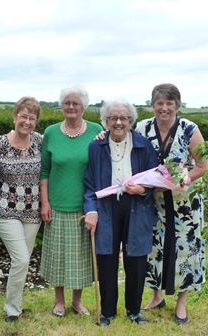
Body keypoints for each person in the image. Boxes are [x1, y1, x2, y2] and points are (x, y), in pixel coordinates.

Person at [137, 83, 208, 324]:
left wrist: (180, 180)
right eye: (159, 103)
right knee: (154, 249)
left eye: (169, 103)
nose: (164, 108)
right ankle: (156, 296)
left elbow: (203, 166)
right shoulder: (142, 127)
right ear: (153, 105)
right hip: (153, 202)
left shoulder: (190, 129)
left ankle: (181, 303)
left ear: (177, 105)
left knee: (185, 250)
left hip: (185, 205)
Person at [83, 99, 159, 327]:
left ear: (130, 121)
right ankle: (107, 311)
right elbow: (89, 183)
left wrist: (143, 189)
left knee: (135, 258)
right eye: (113, 118)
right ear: (105, 121)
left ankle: (134, 310)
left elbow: (155, 178)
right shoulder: (96, 146)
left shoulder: (143, 145)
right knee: (106, 257)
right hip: (106, 207)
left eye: (123, 118)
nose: (118, 122)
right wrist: (91, 210)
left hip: (136, 205)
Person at [40, 84, 103, 317]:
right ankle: (59, 301)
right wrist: (45, 203)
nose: (71, 106)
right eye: (67, 102)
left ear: (84, 106)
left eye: (75, 103)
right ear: (61, 106)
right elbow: (44, 170)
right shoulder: (51, 132)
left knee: (80, 259)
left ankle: (77, 301)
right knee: (58, 257)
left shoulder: (96, 130)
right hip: (57, 204)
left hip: (85, 206)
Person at [0, 96, 43, 323]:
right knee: (21, 259)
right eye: (23, 116)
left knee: (23, 259)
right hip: (6, 210)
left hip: (33, 212)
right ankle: (12, 308)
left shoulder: (41, 141)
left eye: (32, 118)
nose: (27, 121)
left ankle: (17, 304)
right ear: (14, 116)